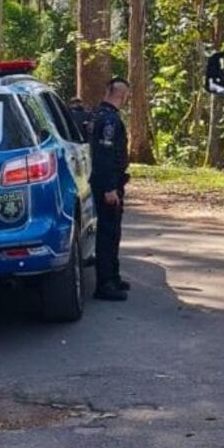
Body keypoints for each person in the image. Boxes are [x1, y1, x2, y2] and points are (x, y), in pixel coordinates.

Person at [90, 79, 131, 301]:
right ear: (123, 96)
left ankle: (113, 277)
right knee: (107, 234)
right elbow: (104, 156)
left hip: (112, 183)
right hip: (108, 185)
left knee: (113, 232)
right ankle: (104, 284)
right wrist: (109, 188)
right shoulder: (109, 120)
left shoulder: (99, 115)